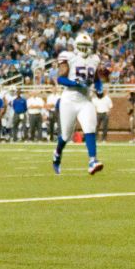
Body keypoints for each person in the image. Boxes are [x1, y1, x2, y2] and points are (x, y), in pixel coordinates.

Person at [52, 31, 104, 175]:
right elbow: (60, 79)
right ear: (75, 46)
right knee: (66, 136)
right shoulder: (69, 57)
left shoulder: (95, 59)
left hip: (85, 100)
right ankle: (57, 154)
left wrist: (100, 88)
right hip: (69, 99)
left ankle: (92, 160)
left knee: (90, 127)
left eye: (86, 45)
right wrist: (75, 82)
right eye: (81, 45)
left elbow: (96, 79)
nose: (84, 48)